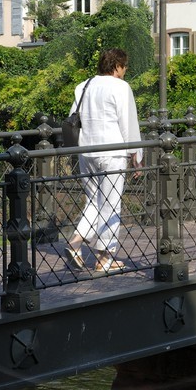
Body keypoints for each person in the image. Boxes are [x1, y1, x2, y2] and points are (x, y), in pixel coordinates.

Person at [65, 47, 141, 274]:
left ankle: (76, 242)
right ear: (117, 66)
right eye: (124, 67)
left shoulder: (83, 86)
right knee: (111, 203)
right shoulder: (120, 87)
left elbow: (73, 117)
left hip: (86, 150)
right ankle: (104, 258)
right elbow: (127, 123)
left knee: (94, 201)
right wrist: (137, 155)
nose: (125, 71)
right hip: (112, 151)